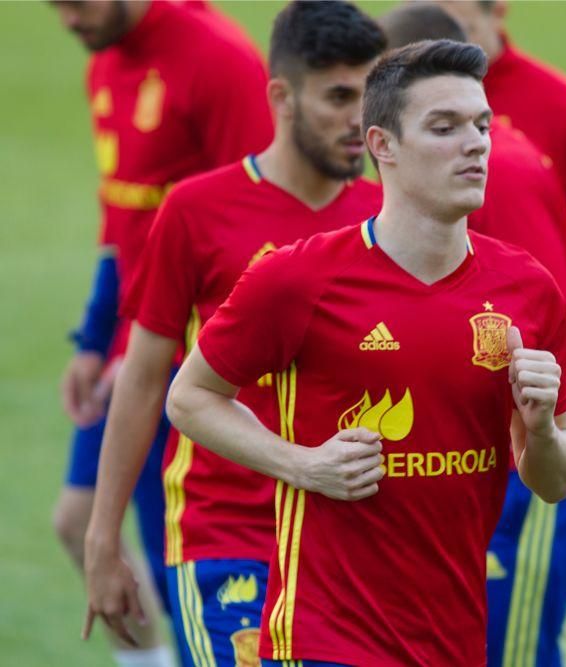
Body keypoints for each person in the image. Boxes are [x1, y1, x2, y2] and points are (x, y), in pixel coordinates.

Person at [166, 39, 566, 666]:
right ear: (381, 145)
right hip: (323, 638)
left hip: (455, 641)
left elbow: (557, 479)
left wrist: (542, 428)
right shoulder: (297, 279)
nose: (474, 144)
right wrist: (302, 465)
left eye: (481, 125)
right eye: (443, 127)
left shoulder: (526, 289)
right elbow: (190, 397)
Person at [80, 2, 385, 664]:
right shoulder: (196, 211)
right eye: (339, 97)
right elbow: (143, 375)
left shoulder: (392, 218)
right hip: (228, 538)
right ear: (281, 96)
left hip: (356, 543)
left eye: (372, 96)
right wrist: (103, 538)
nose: (361, 121)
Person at [377, 6, 566, 667]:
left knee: (513, 650)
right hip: (457, 460)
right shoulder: (430, 177)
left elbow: (532, 319)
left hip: (526, 463)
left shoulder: (490, 173)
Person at [50, 1, 272, 664]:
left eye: (76, 2)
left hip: (198, 359)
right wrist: (95, 341)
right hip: (131, 346)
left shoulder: (220, 61)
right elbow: (123, 220)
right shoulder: (105, 63)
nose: (67, 20)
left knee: (176, 556)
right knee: (79, 523)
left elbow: (263, 224)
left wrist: (154, 351)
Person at [436, 0, 566, 280]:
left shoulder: (565, 108)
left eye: (457, 34)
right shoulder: (396, 107)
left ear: (497, 12)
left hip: (542, 317)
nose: (440, 54)